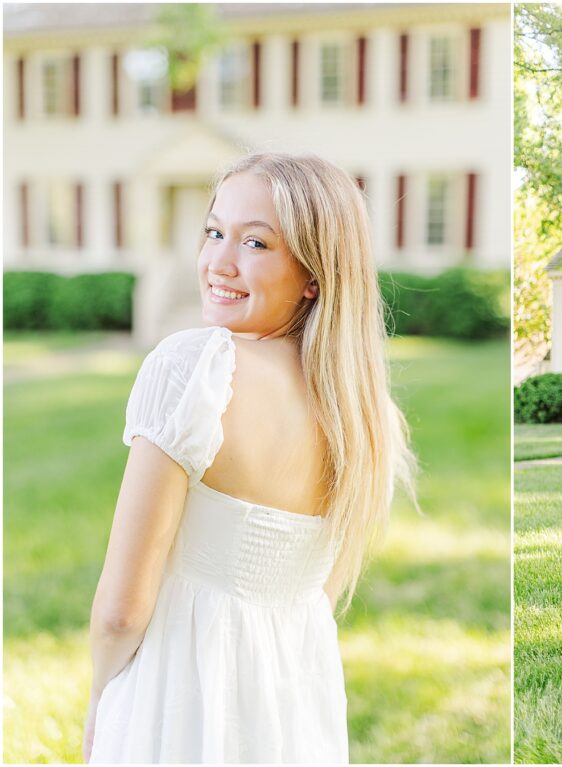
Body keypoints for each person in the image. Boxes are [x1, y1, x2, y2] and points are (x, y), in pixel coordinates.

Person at [84, 153, 414, 763]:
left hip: (178, 691)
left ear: (314, 275)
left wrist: (104, 695)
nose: (218, 262)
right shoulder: (365, 415)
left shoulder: (196, 369)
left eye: (256, 242)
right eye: (214, 232)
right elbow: (319, 593)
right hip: (292, 705)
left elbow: (122, 612)